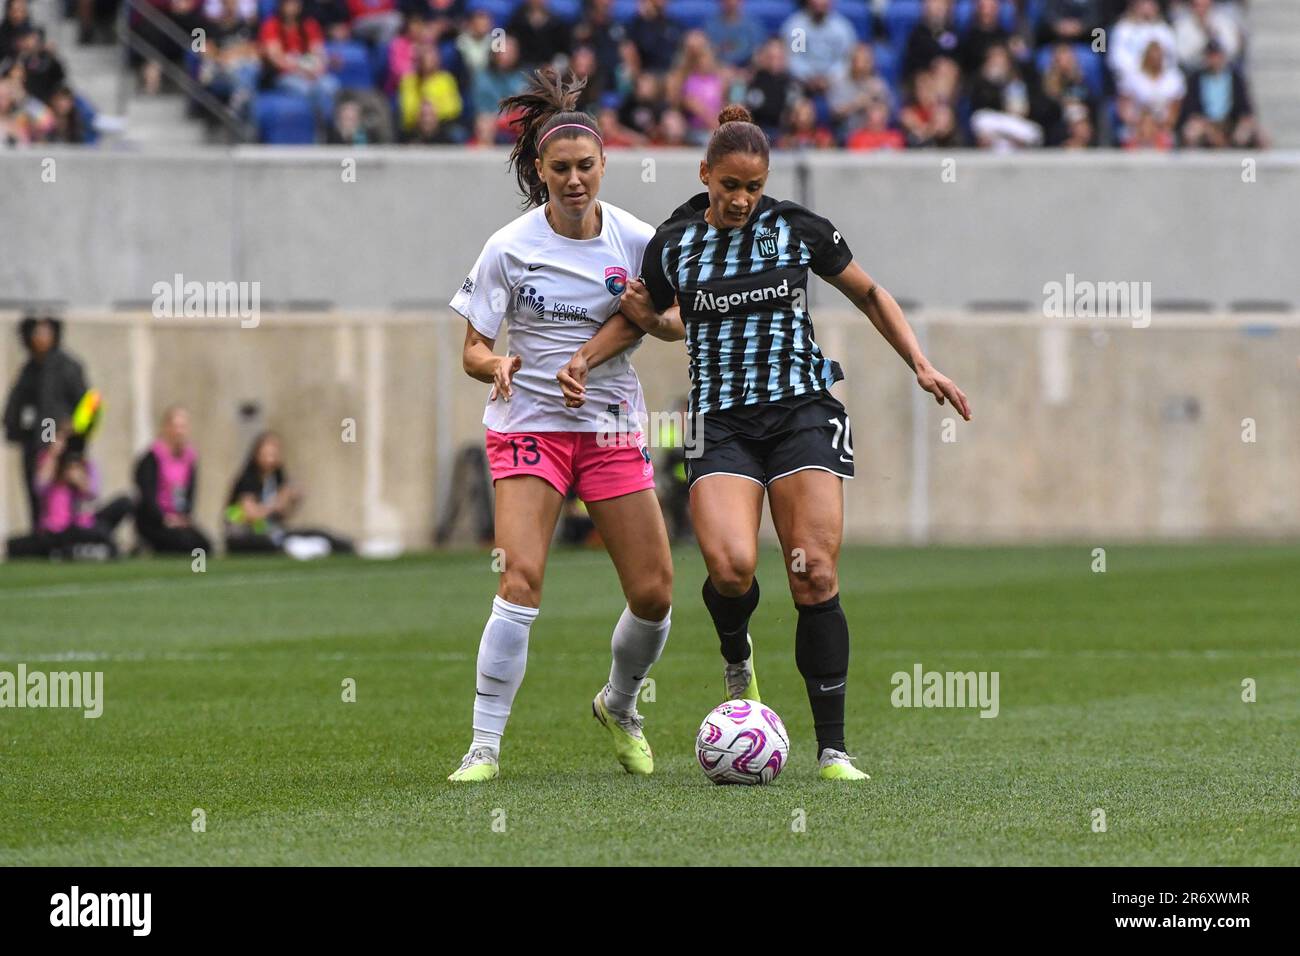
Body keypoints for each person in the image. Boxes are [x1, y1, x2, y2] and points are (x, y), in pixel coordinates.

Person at [559, 103, 971, 781]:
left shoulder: (797, 229)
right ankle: (737, 656)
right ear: (705, 175)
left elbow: (869, 294)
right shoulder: (675, 242)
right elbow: (640, 318)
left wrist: (920, 362)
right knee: (730, 569)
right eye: (730, 186)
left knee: (812, 572)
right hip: (721, 421)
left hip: (801, 412)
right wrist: (583, 357)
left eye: (753, 186)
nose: (743, 199)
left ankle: (833, 749)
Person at [445, 68, 674, 783]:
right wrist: (497, 367)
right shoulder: (508, 247)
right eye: (560, 169)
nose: (574, 180)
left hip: (609, 428)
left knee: (655, 592)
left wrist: (643, 315)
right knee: (521, 577)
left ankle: (620, 703)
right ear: (538, 171)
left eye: (585, 167)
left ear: (604, 166)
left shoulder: (639, 240)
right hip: (529, 427)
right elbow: (472, 349)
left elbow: (671, 325)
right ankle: (483, 747)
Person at [3, 316, 88, 532]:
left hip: (57, 434)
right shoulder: (30, 368)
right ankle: (39, 532)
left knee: (59, 487)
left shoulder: (66, 366)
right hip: (34, 436)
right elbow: (18, 403)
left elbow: (82, 404)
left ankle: (63, 531)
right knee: (35, 486)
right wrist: (15, 429)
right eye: (37, 333)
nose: (40, 338)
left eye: (45, 333)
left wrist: (70, 433)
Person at [5, 424, 133, 560]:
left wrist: (80, 481)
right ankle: (74, 549)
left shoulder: (86, 465)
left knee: (123, 504)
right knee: (22, 545)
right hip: (57, 529)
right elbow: (39, 486)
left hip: (83, 523)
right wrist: (53, 455)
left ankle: (80, 548)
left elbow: (93, 494)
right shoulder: (49, 461)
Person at [223, 431, 353, 557]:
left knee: (319, 534)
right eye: (267, 453)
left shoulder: (277, 478)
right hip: (243, 535)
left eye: (275, 453)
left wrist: (292, 501)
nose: (271, 458)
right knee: (273, 543)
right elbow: (250, 515)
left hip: (271, 533)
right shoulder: (248, 479)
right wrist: (277, 501)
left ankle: (344, 546)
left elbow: (281, 517)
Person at [133, 406, 213, 555]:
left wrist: (184, 517)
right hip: (155, 521)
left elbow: (190, 492)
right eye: (176, 427)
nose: (179, 431)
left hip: (178, 519)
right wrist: (164, 518)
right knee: (183, 544)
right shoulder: (151, 458)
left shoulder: (189, 457)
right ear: (166, 428)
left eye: (183, 427)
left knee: (203, 545)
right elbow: (147, 496)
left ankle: (196, 572)